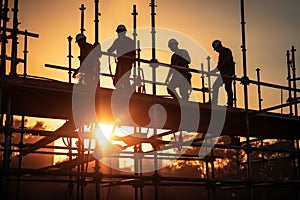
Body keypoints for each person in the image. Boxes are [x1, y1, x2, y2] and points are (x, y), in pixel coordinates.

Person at [107, 24, 135, 89]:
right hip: (126, 63)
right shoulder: (128, 41)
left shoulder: (119, 41)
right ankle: (126, 89)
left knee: (122, 78)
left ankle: (126, 90)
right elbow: (111, 49)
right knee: (123, 78)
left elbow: (110, 50)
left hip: (124, 63)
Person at [211, 39, 235, 107]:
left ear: (219, 46)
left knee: (218, 86)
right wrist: (214, 70)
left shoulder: (226, 52)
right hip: (224, 74)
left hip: (227, 74)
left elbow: (225, 62)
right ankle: (229, 104)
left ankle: (215, 102)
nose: (216, 51)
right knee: (227, 88)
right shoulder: (222, 53)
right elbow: (220, 64)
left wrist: (217, 69)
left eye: (216, 49)